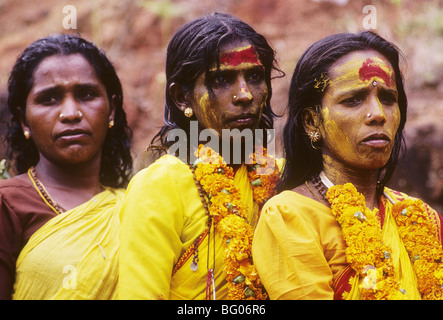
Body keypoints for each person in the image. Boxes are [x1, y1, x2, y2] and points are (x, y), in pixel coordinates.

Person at [252, 31, 443, 300]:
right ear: (311, 122)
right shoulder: (289, 216)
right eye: (353, 99)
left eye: (388, 98)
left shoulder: (422, 218)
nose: (378, 114)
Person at [119, 13, 283, 300]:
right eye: (222, 79)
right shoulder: (160, 186)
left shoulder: (281, 177)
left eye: (255, 76)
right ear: (182, 97)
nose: (245, 94)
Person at [0, 33, 132, 300]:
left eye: (86, 94)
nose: (71, 113)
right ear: (24, 121)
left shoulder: (135, 205)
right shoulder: (7, 204)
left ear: (112, 110)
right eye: (48, 99)